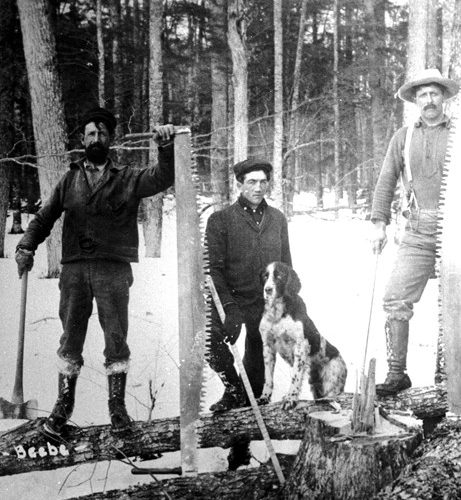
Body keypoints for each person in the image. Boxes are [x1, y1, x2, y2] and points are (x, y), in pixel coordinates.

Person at [14, 107, 176, 435]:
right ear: (82, 140)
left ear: (110, 139)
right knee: (70, 339)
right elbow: (45, 217)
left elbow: (162, 178)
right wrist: (26, 245)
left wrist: (165, 147)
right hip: (74, 272)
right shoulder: (70, 179)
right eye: (91, 134)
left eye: (102, 134)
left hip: (112, 272)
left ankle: (117, 410)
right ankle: (62, 408)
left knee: (116, 339)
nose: (96, 139)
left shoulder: (127, 177)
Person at [370, 68, 461, 396]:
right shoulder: (403, 137)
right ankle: (397, 374)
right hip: (418, 226)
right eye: (422, 95)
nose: (429, 100)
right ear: (414, 101)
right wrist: (378, 222)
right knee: (395, 297)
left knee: (454, 304)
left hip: (459, 226)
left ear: (444, 98)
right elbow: (386, 180)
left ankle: (445, 374)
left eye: (434, 93)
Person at [205, 159, 292, 412]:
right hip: (230, 300)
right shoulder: (220, 220)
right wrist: (228, 307)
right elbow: (213, 272)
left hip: (264, 305)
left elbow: (286, 265)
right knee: (208, 340)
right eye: (252, 182)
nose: (258, 188)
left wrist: (284, 305)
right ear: (239, 184)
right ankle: (232, 387)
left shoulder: (277, 219)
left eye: (263, 182)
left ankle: (240, 447)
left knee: (255, 376)